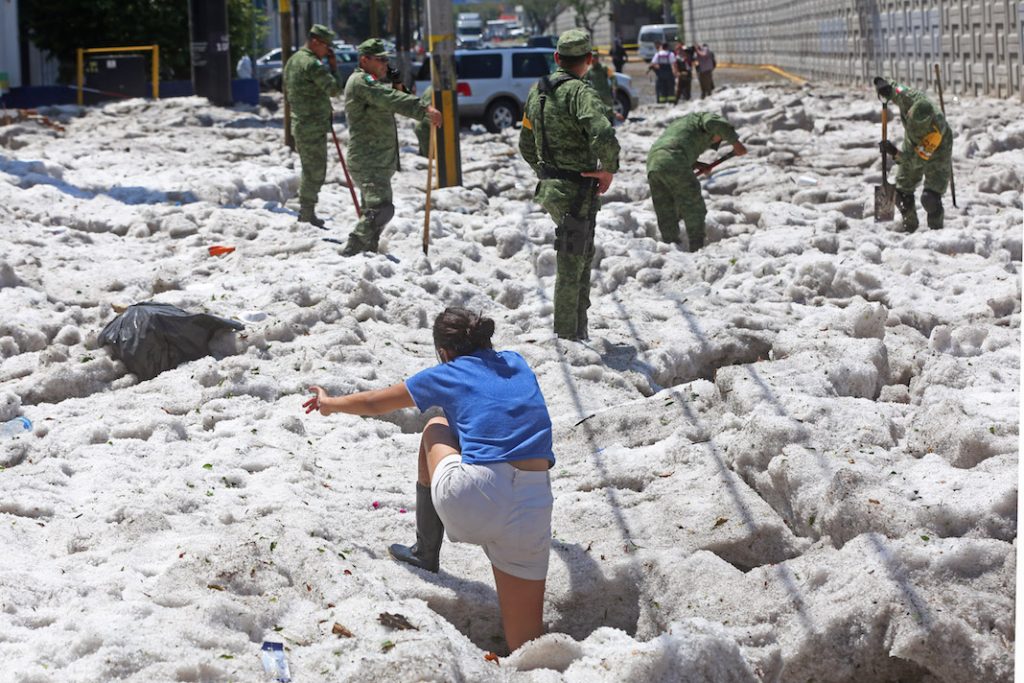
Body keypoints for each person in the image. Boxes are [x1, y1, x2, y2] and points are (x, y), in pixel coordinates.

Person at [303, 307, 555, 652]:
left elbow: (377, 403)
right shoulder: (518, 363)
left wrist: (329, 403)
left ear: (444, 352)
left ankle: (425, 551)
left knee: (436, 425)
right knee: (527, 648)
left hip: (474, 496)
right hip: (533, 504)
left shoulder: (448, 372)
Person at [519, 29, 620, 341]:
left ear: (557, 58)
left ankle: (578, 330)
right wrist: (608, 170)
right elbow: (602, 134)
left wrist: (547, 172)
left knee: (579, 255)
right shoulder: (580, 93)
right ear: (588, 60)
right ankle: (567, 336)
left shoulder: (538, 91)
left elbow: (525, 143)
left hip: (552, 189)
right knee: (572, 263)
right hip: (577, 191)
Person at [342, 38, 442, 256]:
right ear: (364, 60)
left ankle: (366, 252)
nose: (385, 64)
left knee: (373, 212)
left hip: (377, 159)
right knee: (381, 210)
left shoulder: (371, 82)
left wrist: (399, 85)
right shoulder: (361, 81)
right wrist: (424, 110)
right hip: (368, 159)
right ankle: (353, 248)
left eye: (387, 59)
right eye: (380, 60)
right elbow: (387, 99)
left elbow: (394, 96)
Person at [646, 112, 747, 250]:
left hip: (654, 162)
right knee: (693, 204)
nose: (714, 141)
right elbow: (714, 123)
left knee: (666, 208)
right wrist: (736, 143)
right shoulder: (705, 119)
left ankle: (669, 248)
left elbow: (674, 146)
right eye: (719, 138)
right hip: (674, 157)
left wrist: (698, 165)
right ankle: (697, 246)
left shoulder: (684, 124)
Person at [282, 24, 346, 228]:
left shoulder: (293, 61)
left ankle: (307, 211)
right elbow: (335, 89)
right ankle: (306, 213)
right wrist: (334, 67)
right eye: (326, 46)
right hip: (312, 126)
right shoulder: (312, 64)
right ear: (315, 42)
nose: (328, 51)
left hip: (302, 123)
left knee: (311, 169)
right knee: (315, 171)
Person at [874, 76, 953, 232]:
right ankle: (910, 226)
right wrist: (886, 86)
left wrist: (894, 152)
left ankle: (936, 232)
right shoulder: (910, 98)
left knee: (930, 199)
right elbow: (898, 89)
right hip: (912, 143)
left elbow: (914, 162)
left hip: (938, 151)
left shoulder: (935, 133)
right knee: (901, 192)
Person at [585, 49, 619, 125]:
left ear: (597, 59)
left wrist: (614, 86)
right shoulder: (589, 71)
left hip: (606, 96)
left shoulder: (604, 68)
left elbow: (613, 77)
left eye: (595, 59)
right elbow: (583, 81)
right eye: (592, 59)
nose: (593, 61)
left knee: (609, 115)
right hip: (596, 97)